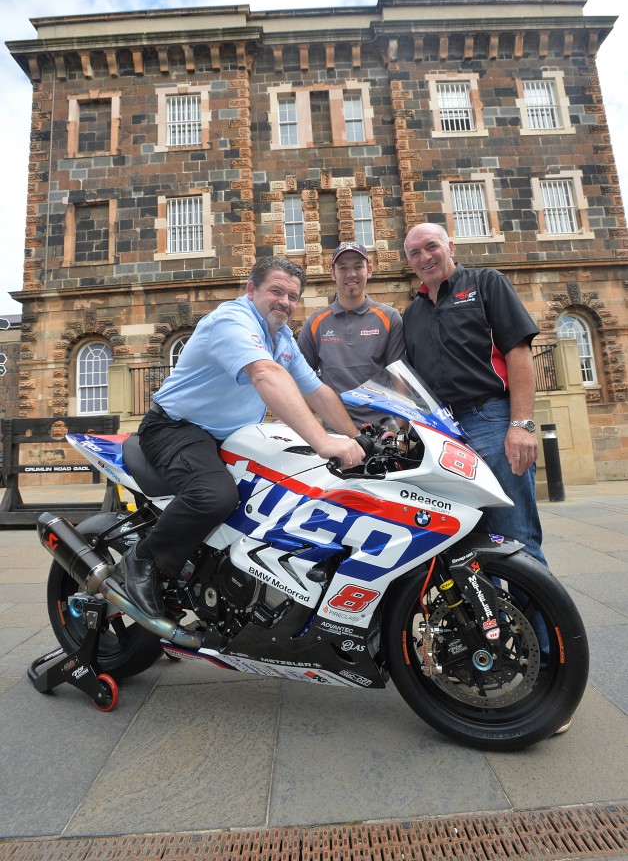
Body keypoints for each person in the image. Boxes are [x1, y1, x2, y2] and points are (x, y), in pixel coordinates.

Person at [117, 256, 366, 619]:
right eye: (276, 290)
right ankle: (142, 561)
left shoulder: (280, 337)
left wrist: (359, 436)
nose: (284, 301)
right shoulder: (231, 320)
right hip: (176, 428)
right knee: (214, 496)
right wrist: (325, 443)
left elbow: (316, 390)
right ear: (251, 290)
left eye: (292, 296)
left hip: (229, 437)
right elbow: (264, 373)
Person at [402, 222, 547, 568]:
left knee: (516, 543)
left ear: (450, 246)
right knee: (468, 549)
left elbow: (519, 351)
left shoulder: (486, 283)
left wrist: (522, 424)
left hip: (492, 422)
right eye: (415, 253)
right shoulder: (412, 314)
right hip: (445, 436)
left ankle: (545, 624)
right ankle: (495, 623)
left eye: (431, 246)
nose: (425, 257)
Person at [298, 242, 405, 427]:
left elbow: (400, 379)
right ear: (333, 273)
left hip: (384, 432)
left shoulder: (389, 317)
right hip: (336, 432)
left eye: (358, 266)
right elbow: (298, 378)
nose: (351, 274)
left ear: (369, 270)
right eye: (343, 268)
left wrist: (402, 433)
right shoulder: (316, 322)